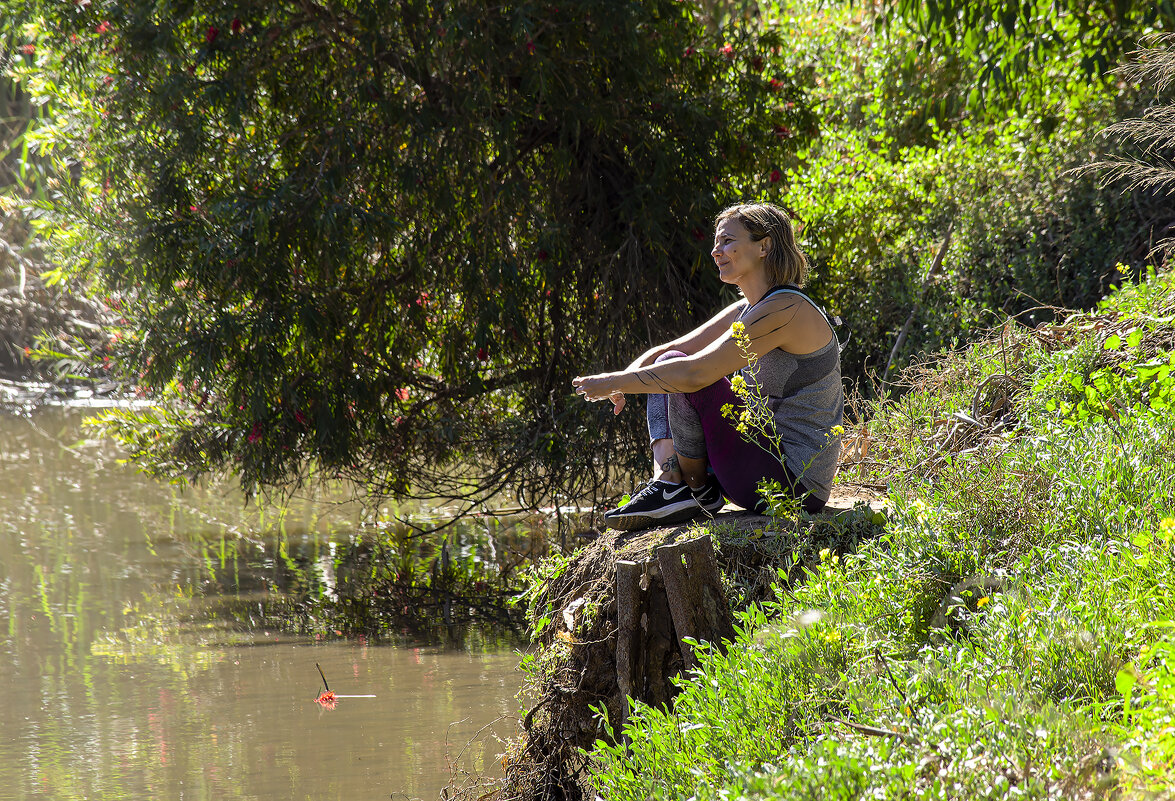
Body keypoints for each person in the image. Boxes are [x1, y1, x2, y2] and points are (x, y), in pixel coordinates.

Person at [571, 202, 843, 531]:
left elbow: (696, 373)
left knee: (677, 371)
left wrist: (614, 381)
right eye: (716, 242)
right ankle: (671, 482)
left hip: (794, 484)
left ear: (764, 246)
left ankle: (691, 490)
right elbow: (671, 350)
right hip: (754, 464)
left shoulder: (788, 308)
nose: (716, 251)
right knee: (666, 364)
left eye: (727, 241)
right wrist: (622, 382)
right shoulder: (748, 308)